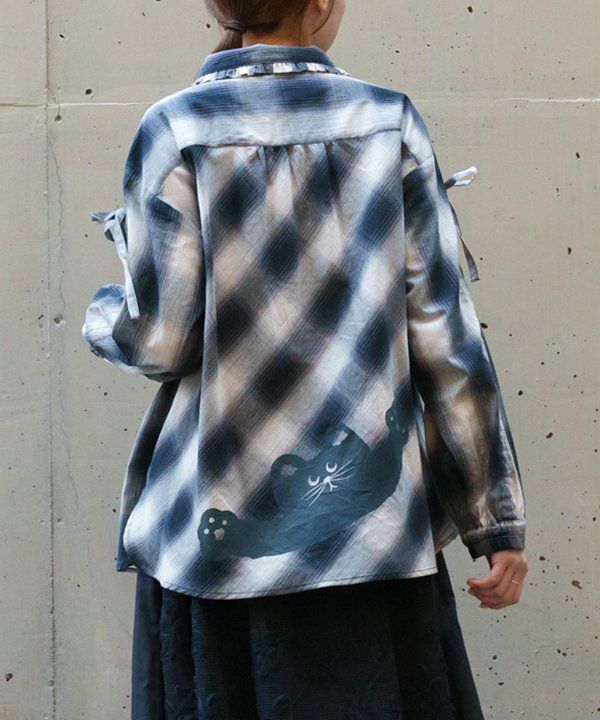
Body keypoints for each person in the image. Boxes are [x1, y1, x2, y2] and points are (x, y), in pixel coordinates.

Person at [82, 0, 529, 717]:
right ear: (320, 2)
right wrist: (493, 522)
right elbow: (447, 342)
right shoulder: (390, 124)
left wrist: (104, 314)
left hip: (217, 554)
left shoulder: (176, 129)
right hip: (373, 549)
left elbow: (159, 342)